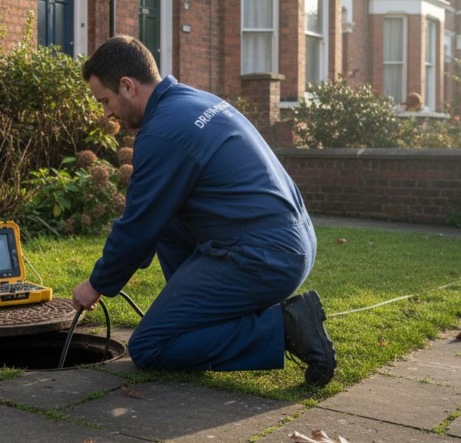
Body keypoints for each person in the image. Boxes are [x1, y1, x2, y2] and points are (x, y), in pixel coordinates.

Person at [71, 36, 336, 387]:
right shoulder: (194, 100)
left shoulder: (162, 132)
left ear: (127, 86)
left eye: (105, 101)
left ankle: (287, 326)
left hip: (265, 255)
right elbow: (152, 222)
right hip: (291, 240)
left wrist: (97, 284)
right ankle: (198, 320)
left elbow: (136, 227)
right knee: (166, 218)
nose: (106, 113)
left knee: (150, 346)